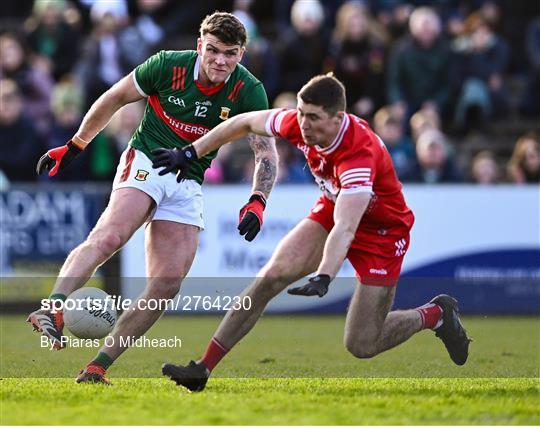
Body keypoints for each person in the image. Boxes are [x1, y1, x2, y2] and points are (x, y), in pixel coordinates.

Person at [151, 74, 471, 392]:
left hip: (381, 234)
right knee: (270, 278)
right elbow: (244, 122)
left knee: (362, 343)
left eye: (313, 117)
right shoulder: (298, 122)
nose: (303, 124)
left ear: (338, 119)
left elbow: (346, 229)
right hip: (334, 207)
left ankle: (435, 314)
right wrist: (189, 152)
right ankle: (203, 368)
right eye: (301, 113)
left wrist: (324, 276)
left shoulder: (359, 154)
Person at [26, 12, 278, 384]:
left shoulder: (249, 90)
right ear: (199, 46)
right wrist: (75, 144)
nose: (221, 61)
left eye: (231, 53)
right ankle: (53, 307)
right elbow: (114, 98)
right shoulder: (167, 66)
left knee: (167, 284)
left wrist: (258, 199)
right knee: (111, 235)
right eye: (213, 51)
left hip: (189, 178)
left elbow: (265, 152)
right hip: (146, 158)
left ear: (242, 53)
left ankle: (97, 366)